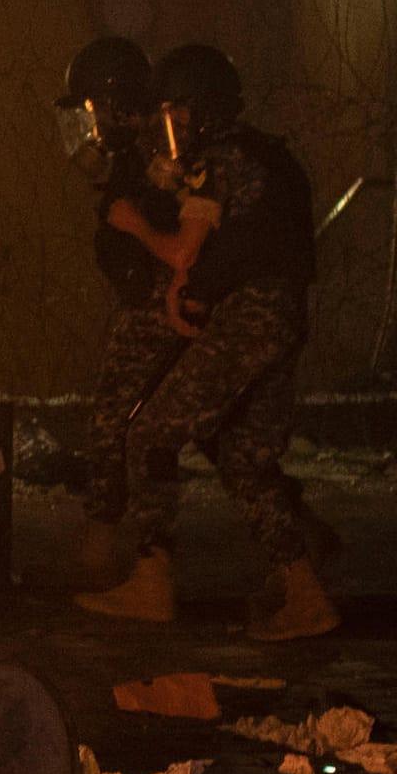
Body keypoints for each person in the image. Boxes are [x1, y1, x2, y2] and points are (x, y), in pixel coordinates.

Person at [73, 44, 339, 640]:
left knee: (149, 432)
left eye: (180, 113)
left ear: (204, 110)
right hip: (273, 318)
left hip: (246, 320)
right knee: (244, 455)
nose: (173, 128)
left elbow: (186, 252)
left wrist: (135, 225)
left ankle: (151, 576)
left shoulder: (220, 160)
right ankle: (302, 586)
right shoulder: (256, 156)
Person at [55, 36, 190, 583]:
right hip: (157, 298)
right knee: (218, 430)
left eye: (92, 110)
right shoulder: (141, 149)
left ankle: (115, 547)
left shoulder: (158, 148)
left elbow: (179, 219)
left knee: (118, 419)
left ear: (110, 104)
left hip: (159, 303)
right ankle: (300, 540)